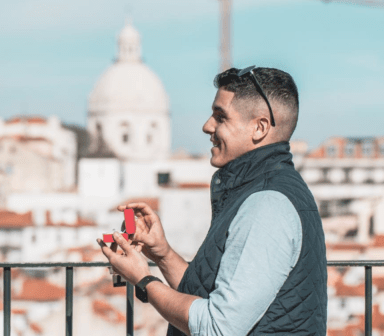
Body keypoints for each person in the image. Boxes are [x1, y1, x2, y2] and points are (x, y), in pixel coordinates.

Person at [99, 66, 327, 335]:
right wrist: (162, 254)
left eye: (221, 117)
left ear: (259, 128)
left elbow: (217, 327)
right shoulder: (258, 192)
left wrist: (143, 279)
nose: (207, 125)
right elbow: (211, 294)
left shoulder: (267, 205)